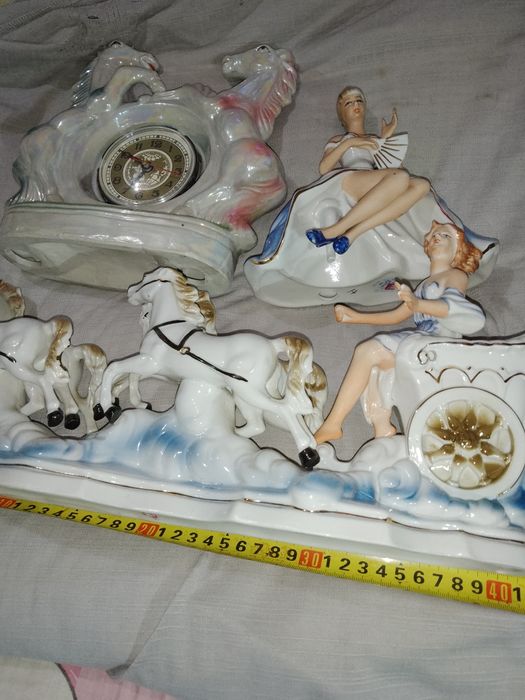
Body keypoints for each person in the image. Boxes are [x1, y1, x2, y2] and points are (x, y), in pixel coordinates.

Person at [314, 220, 485, 444]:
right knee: (373, 362)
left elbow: (451, 306)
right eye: (433, 234)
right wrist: (355, 316)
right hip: (421, 341)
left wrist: (418, 303)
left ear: (457, 249)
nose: (435, 237)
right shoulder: (423, 285)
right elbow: (395, 316)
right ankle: (381, 429)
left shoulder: (455, 276)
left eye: (444, 236)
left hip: (438, 344)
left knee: (369, 351)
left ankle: (334, 424)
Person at [305, 86, 431, 254]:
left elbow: (398, 171)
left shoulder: (374, 139)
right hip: (351, 179)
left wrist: (385, 140)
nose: (355, 105)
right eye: (349, 103)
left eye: (359, 101)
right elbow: (324, 168)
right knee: (401, 178)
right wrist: (349, 143)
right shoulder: (339, 139)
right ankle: (336, 229)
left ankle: (353, 233)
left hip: (374, 180)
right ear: (342, 114)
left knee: (422, 185)